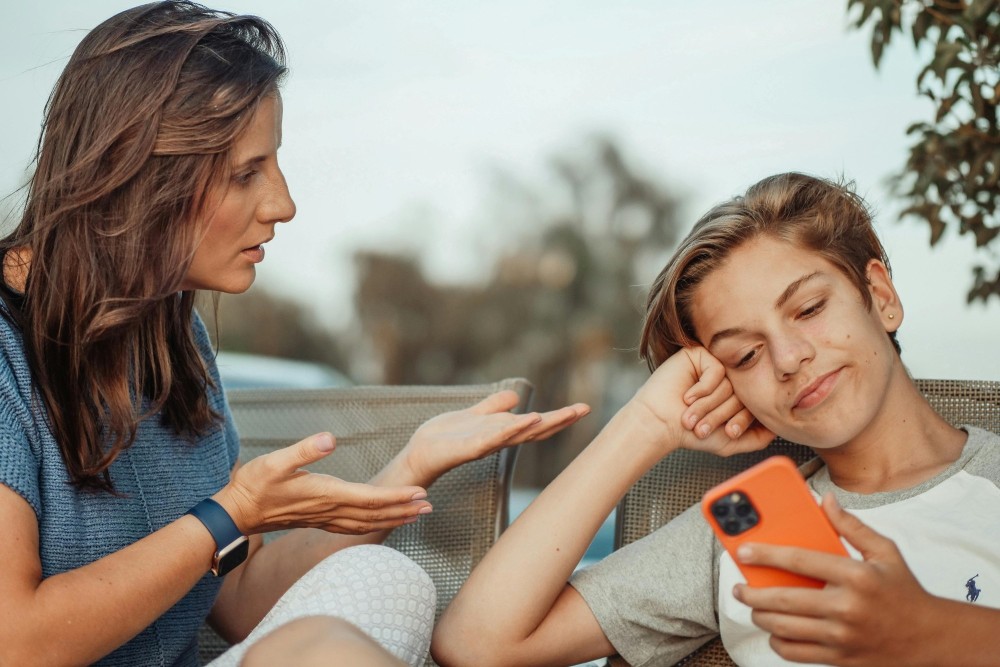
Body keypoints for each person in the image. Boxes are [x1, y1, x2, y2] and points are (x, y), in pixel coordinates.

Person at [0, 3, 589, 666]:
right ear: (139, 174)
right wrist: (230, 513)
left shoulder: (177, 341)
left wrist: (409, 464)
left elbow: (240, 597)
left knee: (388, 581)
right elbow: (14, 641)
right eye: (246, 173)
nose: (283, 204)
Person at [433, 172, 1000, 666]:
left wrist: (929, 633)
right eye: (744, 356)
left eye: (809, 309)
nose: (788, 358)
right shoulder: (739, 534)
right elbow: (477, 644)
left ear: (879, 296)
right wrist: (645, 424)